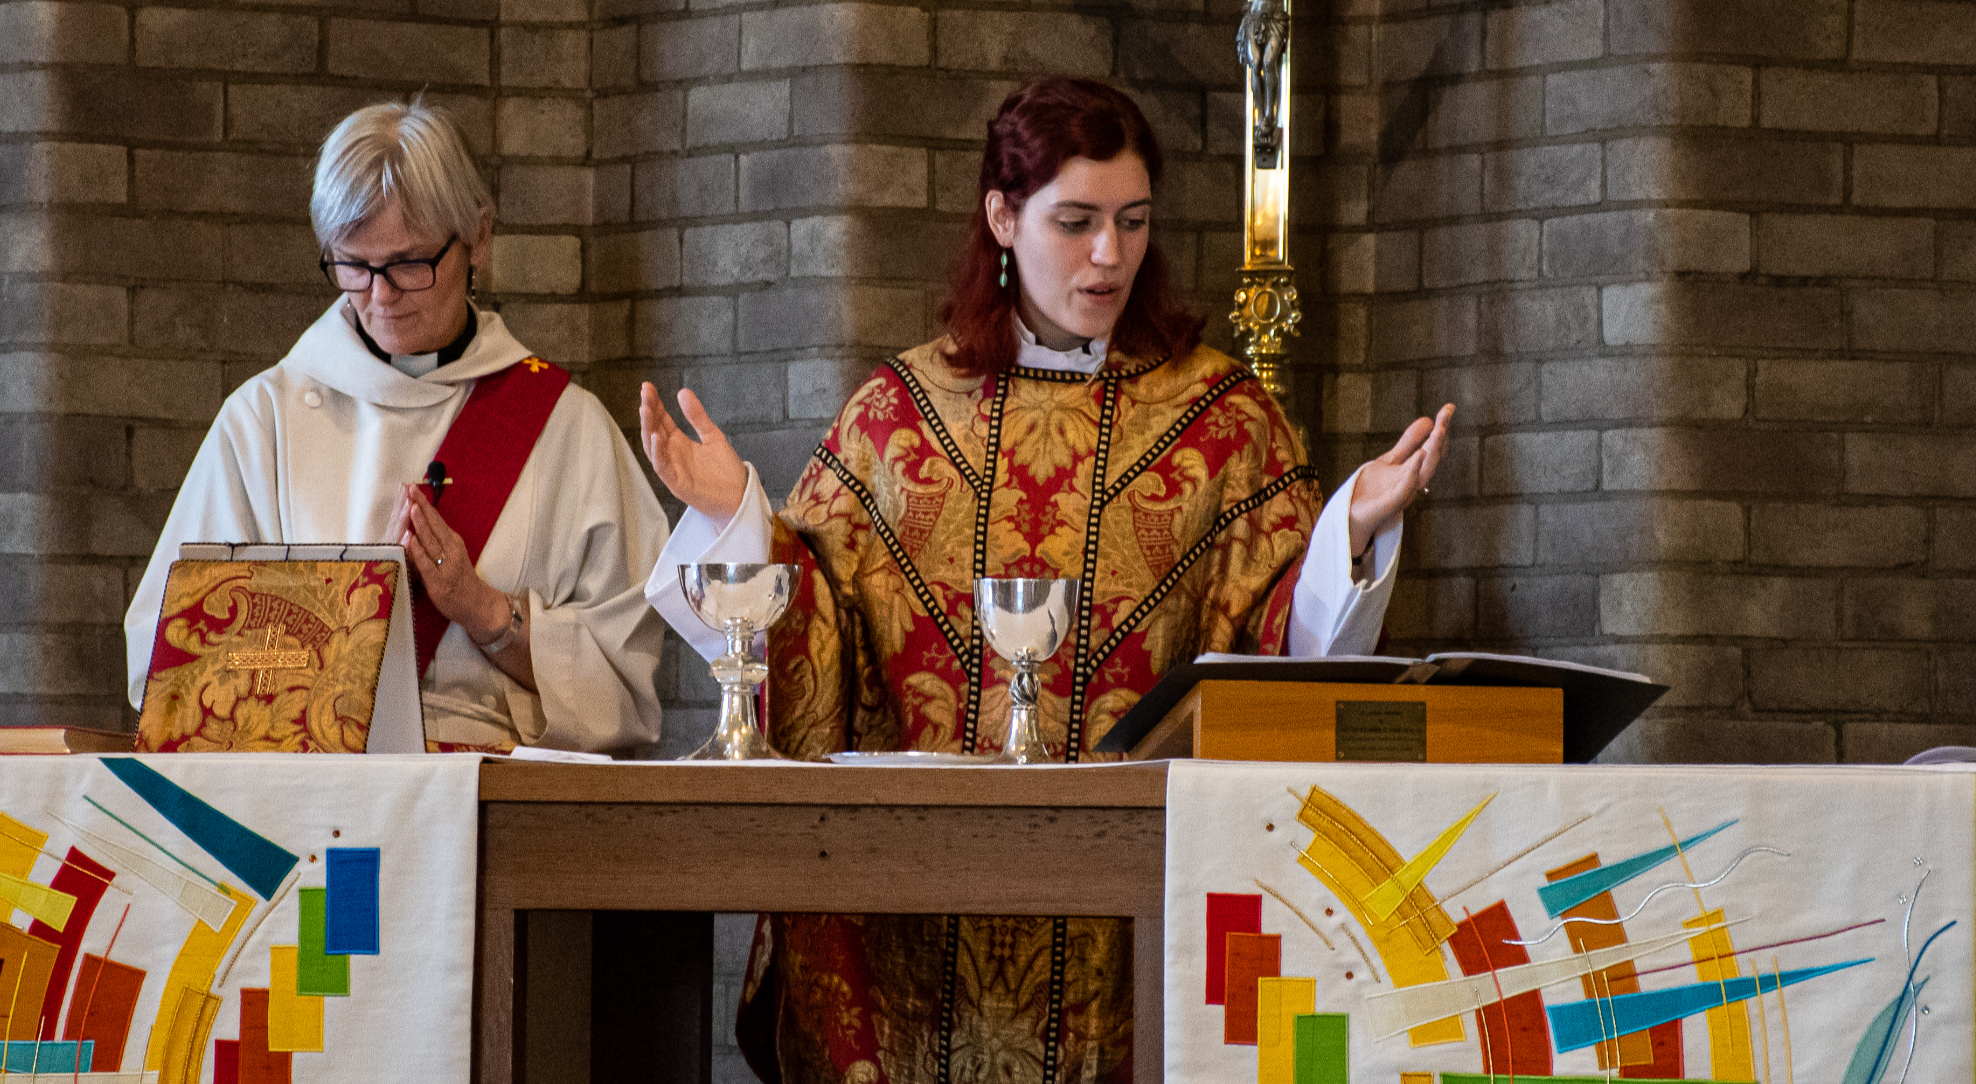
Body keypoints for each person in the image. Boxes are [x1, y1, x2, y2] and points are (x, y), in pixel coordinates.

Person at [637, 76, 1453, 1084]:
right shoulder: (897, 417)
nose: (1109, 253)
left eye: (1133, 221)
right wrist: (738, 516)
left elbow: (1282, 660)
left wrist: (1349, 534)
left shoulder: (1224, 420)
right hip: (919, 941)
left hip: (1132, 925)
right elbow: (817, 629)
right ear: (1003, 217)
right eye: (1076, 222)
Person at [121, 98, 667, 754]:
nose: (381, 295)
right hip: (315, 788)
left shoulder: (567, 428)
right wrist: (335, 629)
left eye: (410, 263)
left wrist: (483, 610)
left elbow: (626, 690)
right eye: (354, 264)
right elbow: (166, 664)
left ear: (478, 237)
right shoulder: (263, 421)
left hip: (500, 789)